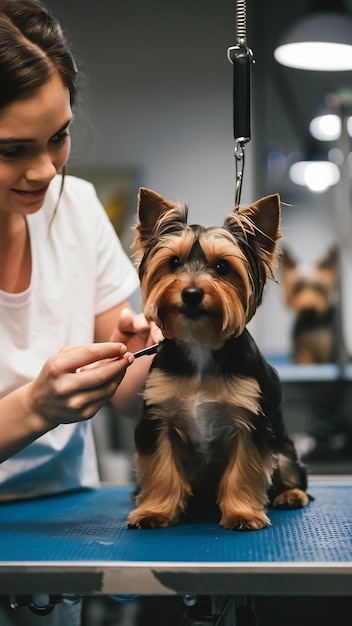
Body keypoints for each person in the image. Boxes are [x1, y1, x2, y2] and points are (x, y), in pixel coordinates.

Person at [0, 1, 160, 623]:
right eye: (12, 149)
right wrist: (35, 406)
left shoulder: (77, 207)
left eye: (59, 137)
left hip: (61, 530)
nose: (45, 170)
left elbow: (128, 396)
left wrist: (144, 348)